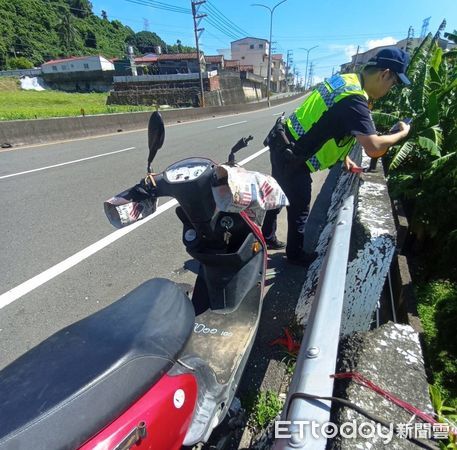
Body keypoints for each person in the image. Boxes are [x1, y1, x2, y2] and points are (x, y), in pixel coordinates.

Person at [262, 47, 412, 266]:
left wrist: (343, 158)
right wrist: (401, 133)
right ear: (385, 74)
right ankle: (294, 255)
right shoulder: (355, 99)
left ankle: (266, 236)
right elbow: (374, 148)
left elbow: (328, 121)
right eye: (393, 83)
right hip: (293, 156)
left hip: (282, 141)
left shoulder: (346, 81)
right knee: (300, 207)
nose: (390, 89)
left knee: (278, 193)